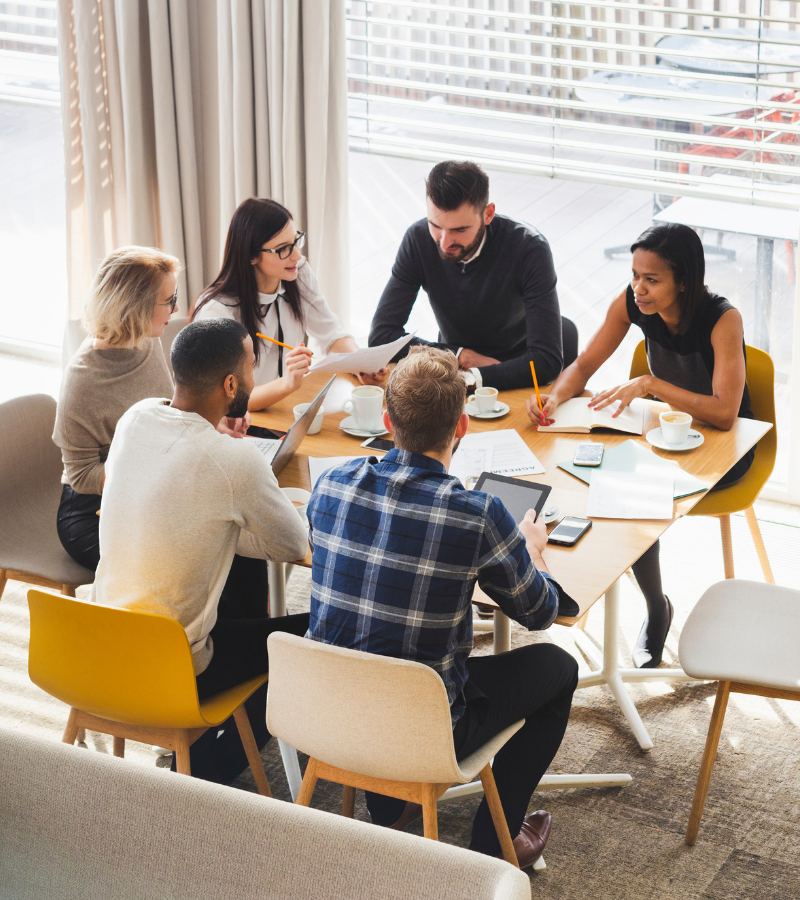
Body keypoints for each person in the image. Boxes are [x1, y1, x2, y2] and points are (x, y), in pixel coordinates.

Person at [306, 346, 579, 867]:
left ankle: (389, 806)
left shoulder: (331, 484)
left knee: (385, 645)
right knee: (557, 669)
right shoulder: (477, 514)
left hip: (328, 711)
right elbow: (540, 614)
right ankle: (495, 842)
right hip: (424, 729)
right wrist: (535, 553)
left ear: (387, 420)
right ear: (461, 428)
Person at [93, 318, 310, 783]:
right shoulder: (236, 460)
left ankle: (195, 755)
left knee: (232, 599)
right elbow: (293, 544)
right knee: (306, 637)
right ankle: (201, 775)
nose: (255, 378)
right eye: (252, 368)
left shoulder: (135, 418)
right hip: (174, 668)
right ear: (231, 384)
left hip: (96, 647)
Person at [528, 222, 754, 668]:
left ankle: (653, 613)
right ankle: (657, 605)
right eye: (634, 275)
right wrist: (555, 397)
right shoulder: (632, 303)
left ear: (683, 282)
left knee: (635, 498)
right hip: (665, 438)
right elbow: (584, 364)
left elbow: (726, 413)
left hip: (725, 449)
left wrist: (651, 383)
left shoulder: (722, 318)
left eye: (652, 279)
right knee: (604, 484)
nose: (638, 288)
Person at [367, 160, 563, 391]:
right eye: (436, 225)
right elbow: (381, 337)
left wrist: (472, 377)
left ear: (488, 214)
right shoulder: (418, 239)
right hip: (451, 368)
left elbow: (547, 361)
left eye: (460, 230)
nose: (445, 242)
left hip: (515, 373)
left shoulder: (529, 249)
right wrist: (458, 355)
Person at [53, 247, 180, 570]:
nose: (175, 308)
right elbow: (81, 476)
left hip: (148, 489)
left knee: (226, 532)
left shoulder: (146, 338)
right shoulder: (83, 381)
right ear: (135, 307)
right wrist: (149, 470)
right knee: (185, 555)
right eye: (168, 301)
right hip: (91, 512)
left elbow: (161, 406)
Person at [193, 198, 385, 406]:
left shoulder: (298, 274)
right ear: (251, 256)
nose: (296, 255)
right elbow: (229, 400)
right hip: (245, 424)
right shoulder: (217, 312)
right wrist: (287, 384)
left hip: (286, 408)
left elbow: (331, 336)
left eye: (296, 241)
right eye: (283, 249)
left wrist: (362, 363)